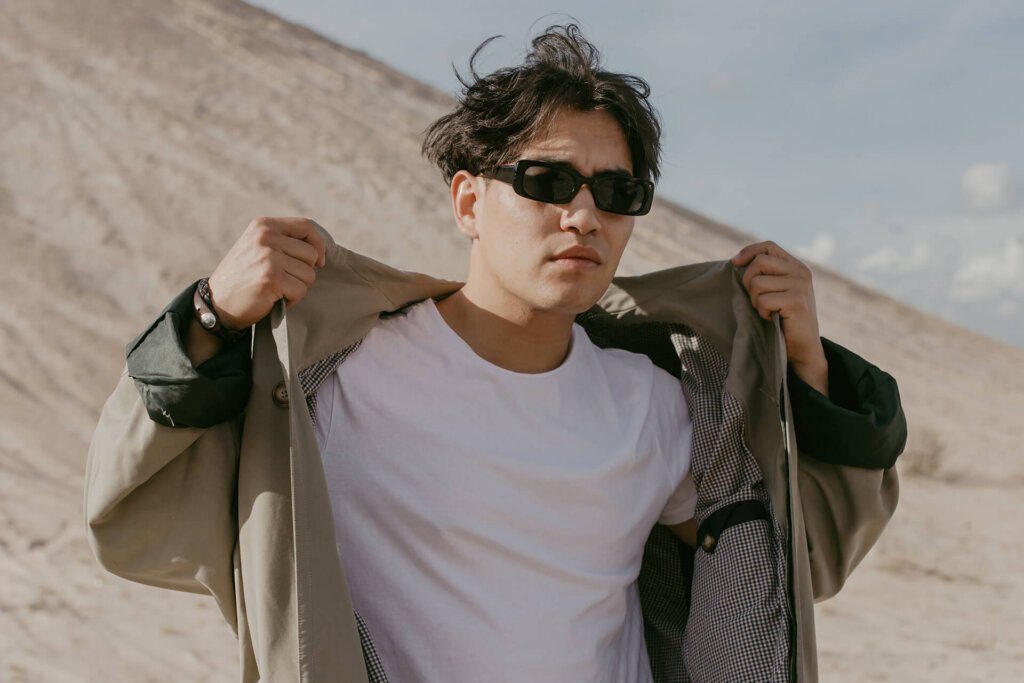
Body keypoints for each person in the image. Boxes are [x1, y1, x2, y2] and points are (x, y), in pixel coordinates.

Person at [85, 24, 906, 683]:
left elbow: (787, 567)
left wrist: (807, 367)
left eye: (616, 192)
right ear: (469, 201)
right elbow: (137, 499)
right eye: (547, 181)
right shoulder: (338, 379)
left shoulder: (656, 403)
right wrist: (210, 315)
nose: (583, 216)